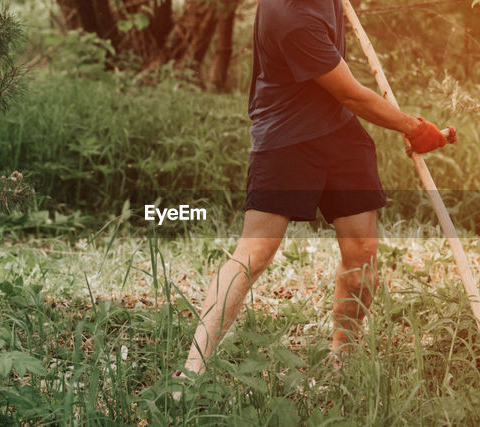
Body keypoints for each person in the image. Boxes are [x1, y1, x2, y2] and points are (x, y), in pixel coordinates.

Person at [176, 0, 454, 383]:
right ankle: (193, 369)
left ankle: (343, 356)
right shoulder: (290, 18)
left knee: (363, 254)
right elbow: (353, 95)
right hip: (286, 136)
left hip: (339, 133)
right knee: (256, 251)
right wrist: (414, 127)